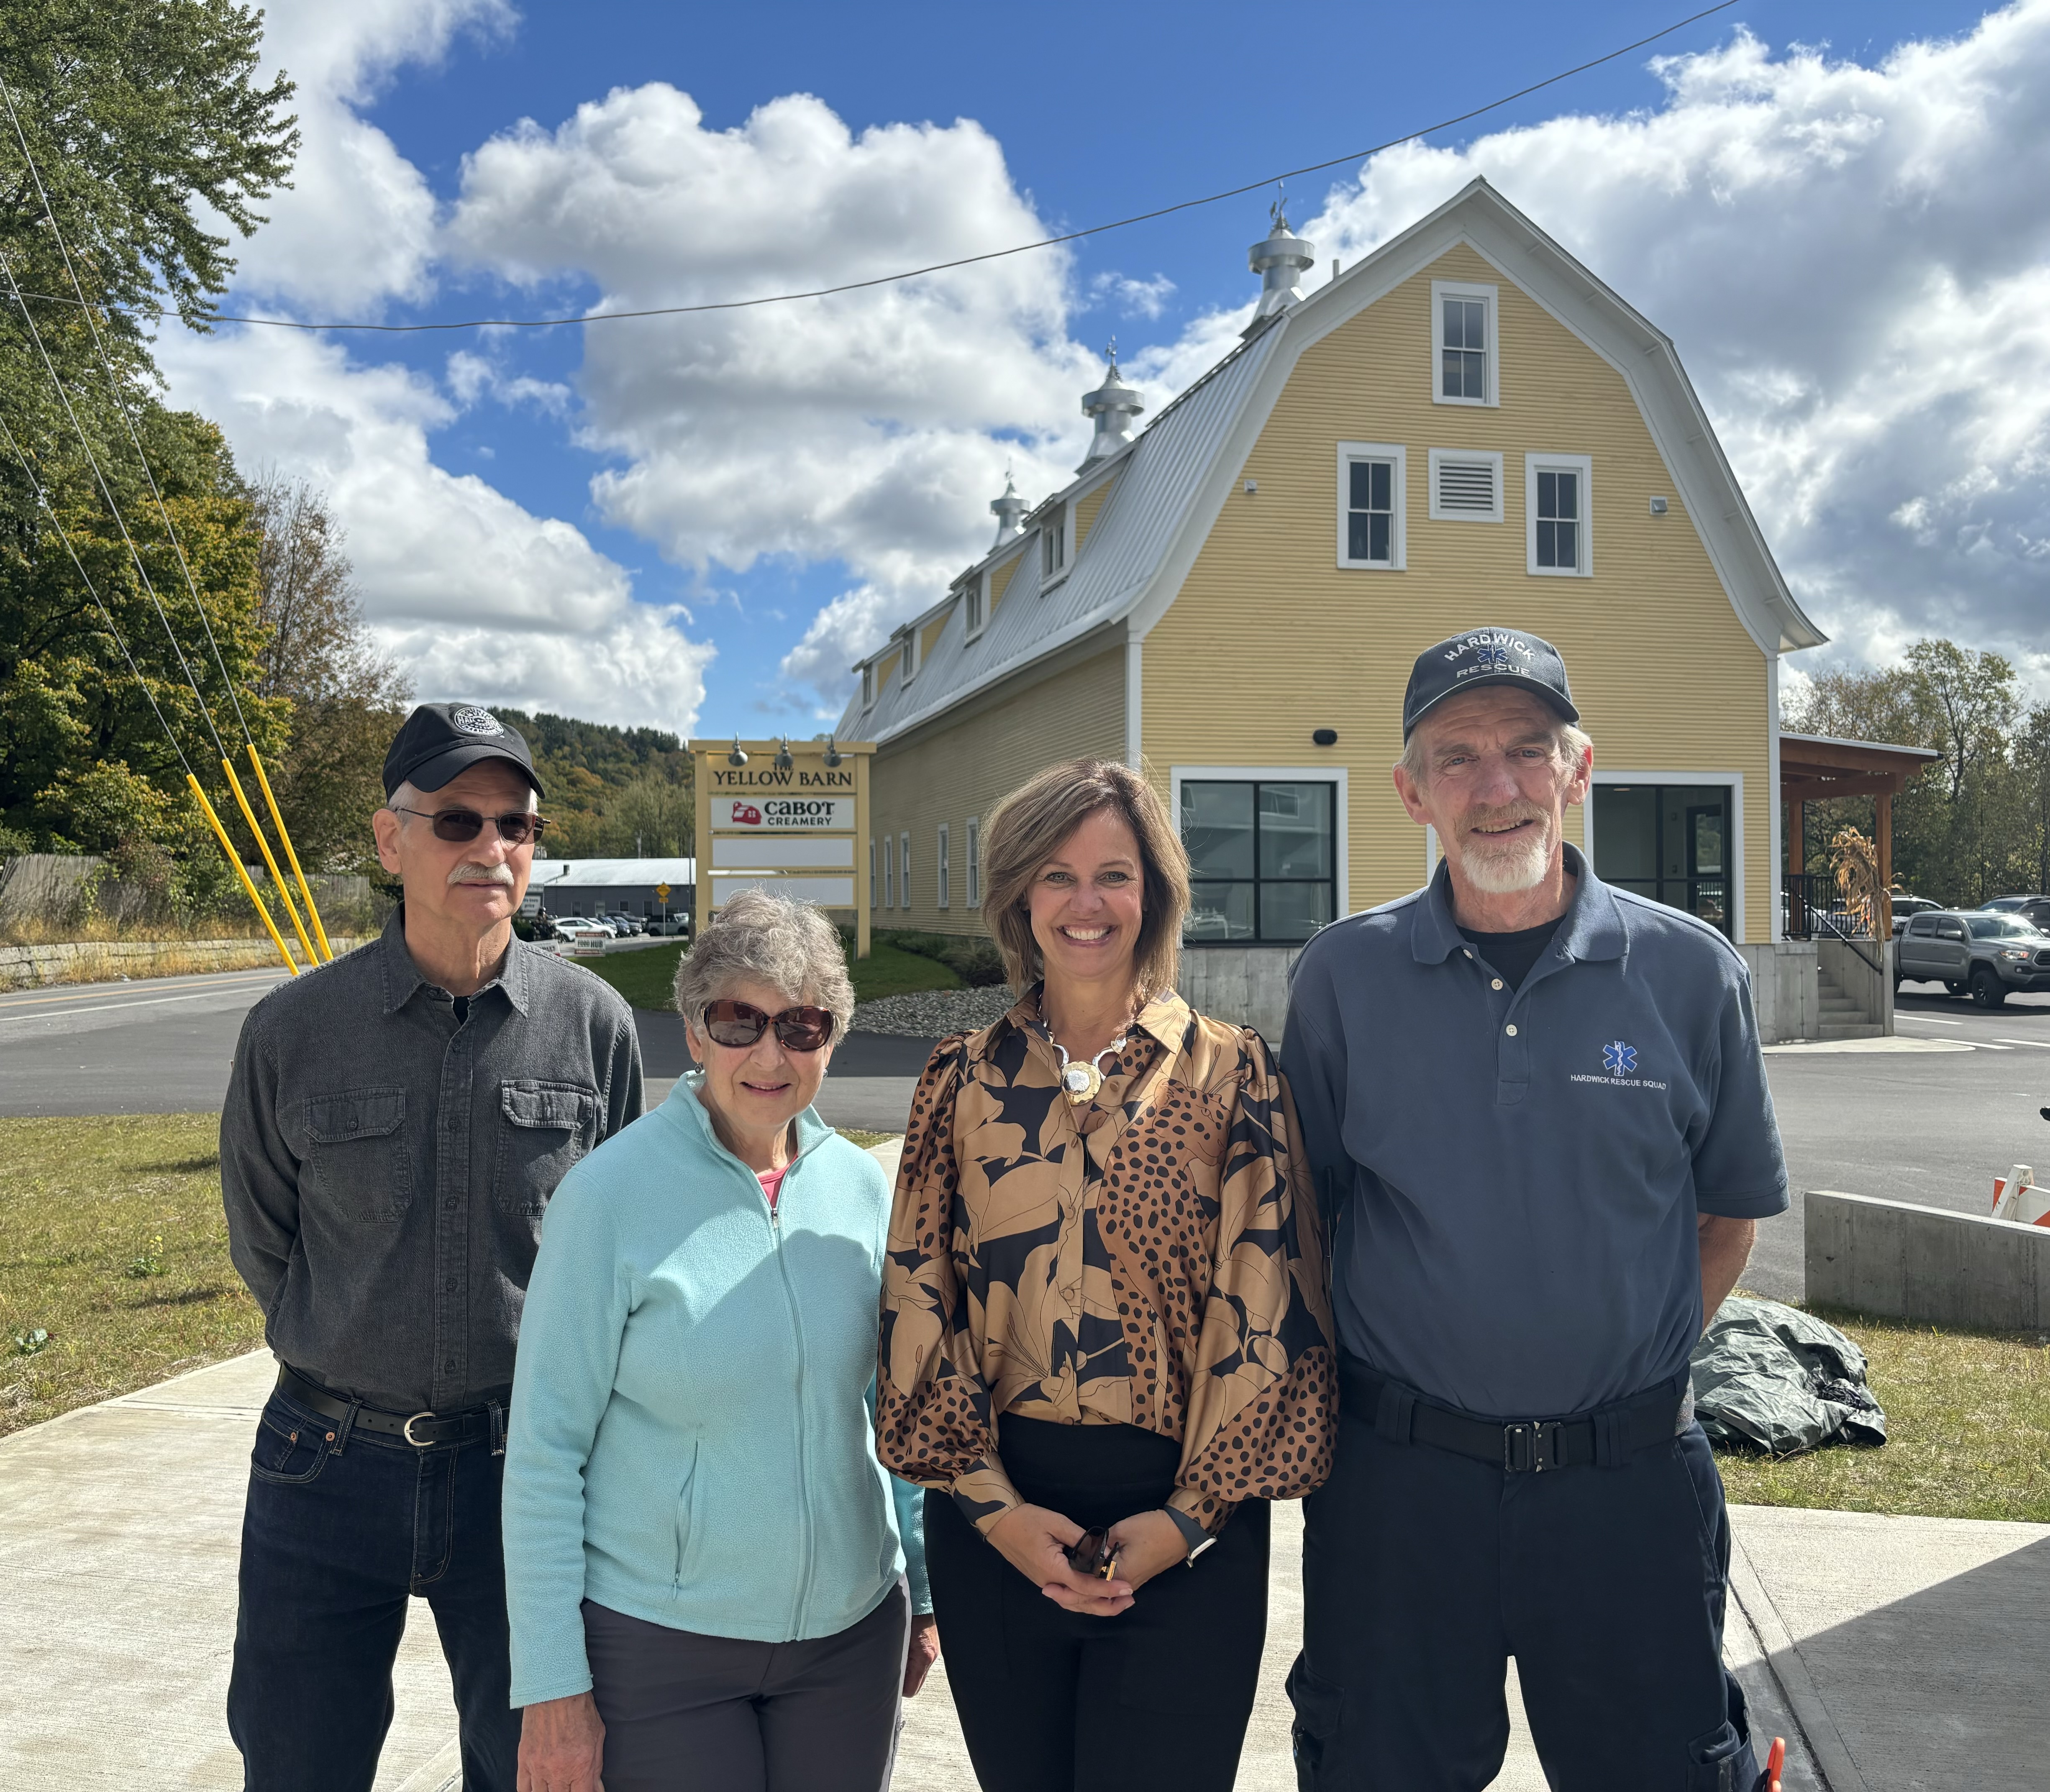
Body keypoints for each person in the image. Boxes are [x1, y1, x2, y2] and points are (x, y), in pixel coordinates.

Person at [1281, 629, 1789, 1792]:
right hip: (1400, 1493)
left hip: (1626, 1493)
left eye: (1525, 749)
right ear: (1410, 792)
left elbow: (1726, 1219)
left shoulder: (1689, 972)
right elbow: (1309, 1219)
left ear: (1578, 767)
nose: (1496, 786)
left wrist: (1610, 1365)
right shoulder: (1340, 979)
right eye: (1456, 758)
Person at [877, 757, 1336, 1792]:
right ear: (1016, 899)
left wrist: (1184, 1522)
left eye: (1114, 875)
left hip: (1187, 1535)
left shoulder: (1233, 1074)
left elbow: (1266, 1308)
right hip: (997, 1525)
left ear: (1158, 891)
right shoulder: (957, 1082)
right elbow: (918, 1300)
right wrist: (992, 1510)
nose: (1086, 904)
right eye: (1054, 875)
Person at [219, 703, 644, 1791]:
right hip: (325, 1460)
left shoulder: (595, 1027)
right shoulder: (292, 1032)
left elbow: (624, 1249)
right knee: (297, 1762)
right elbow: (266, 1240)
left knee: (538, 1772)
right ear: (388, 838)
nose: (490, 849)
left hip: (525, 1472)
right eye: (457, 820)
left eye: (517, 825)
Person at [505, 888, 937, 1792]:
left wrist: (922, 1592)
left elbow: (893, 1414)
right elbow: (544, 1453)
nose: (769, 1055)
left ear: (832, 1039)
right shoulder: (606, 1199)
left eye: (803, 1026)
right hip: (664, 1650)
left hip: (849, 1641)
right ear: (694, 1034)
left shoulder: (863, 1193)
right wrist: (551, 1688)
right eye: (738, 1022)